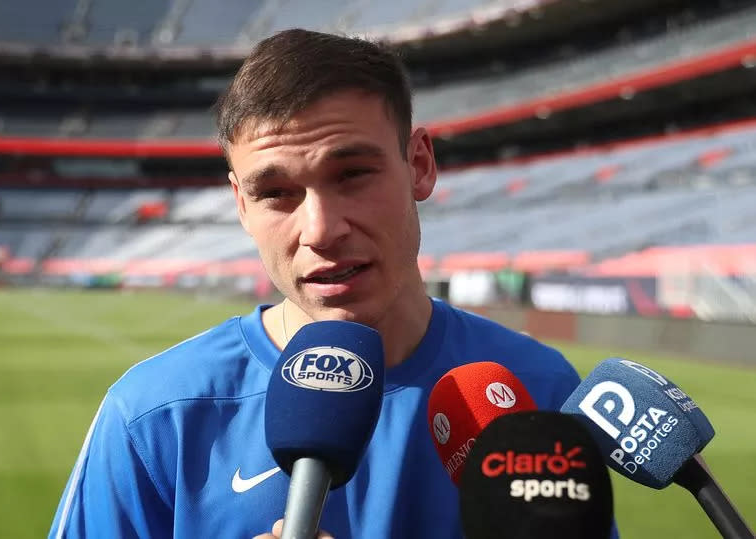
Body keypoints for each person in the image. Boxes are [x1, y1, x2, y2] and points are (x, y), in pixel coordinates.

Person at [49, 29, 617, 538]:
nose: (320, 230)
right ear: (241, 205)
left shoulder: (540, 391)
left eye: (352, 174)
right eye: (276, 193)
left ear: (419, 165)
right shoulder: (153, 415)